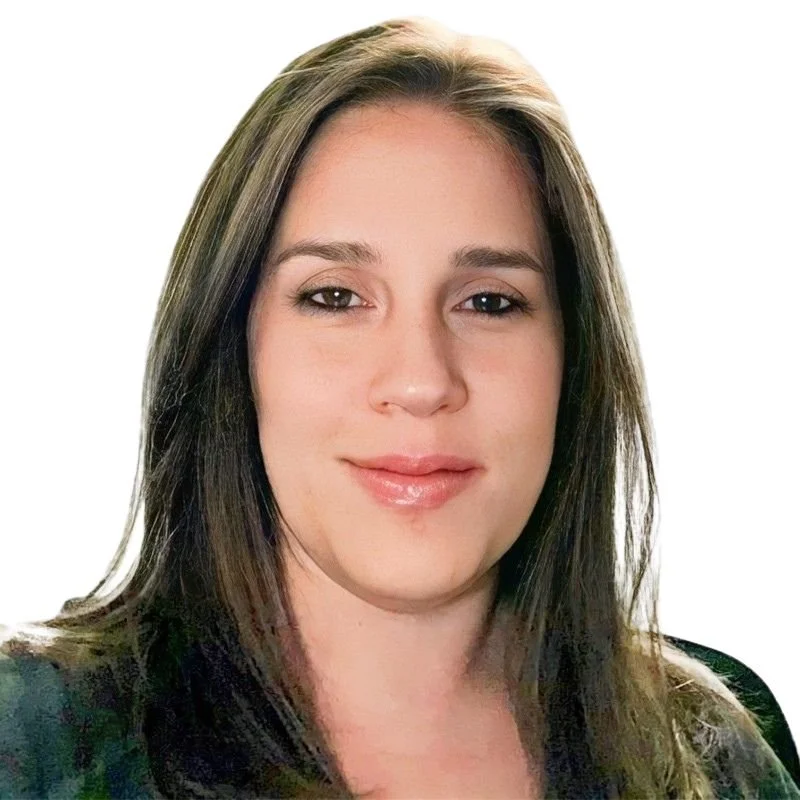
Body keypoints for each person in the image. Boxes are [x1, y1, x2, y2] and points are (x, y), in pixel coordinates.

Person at [1, 15, 797, 799]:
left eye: (489, 302)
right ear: (232, 349)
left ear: (574, 359)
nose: (420, 381)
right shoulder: (30, 742)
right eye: (336, 297)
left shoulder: (714, 761)